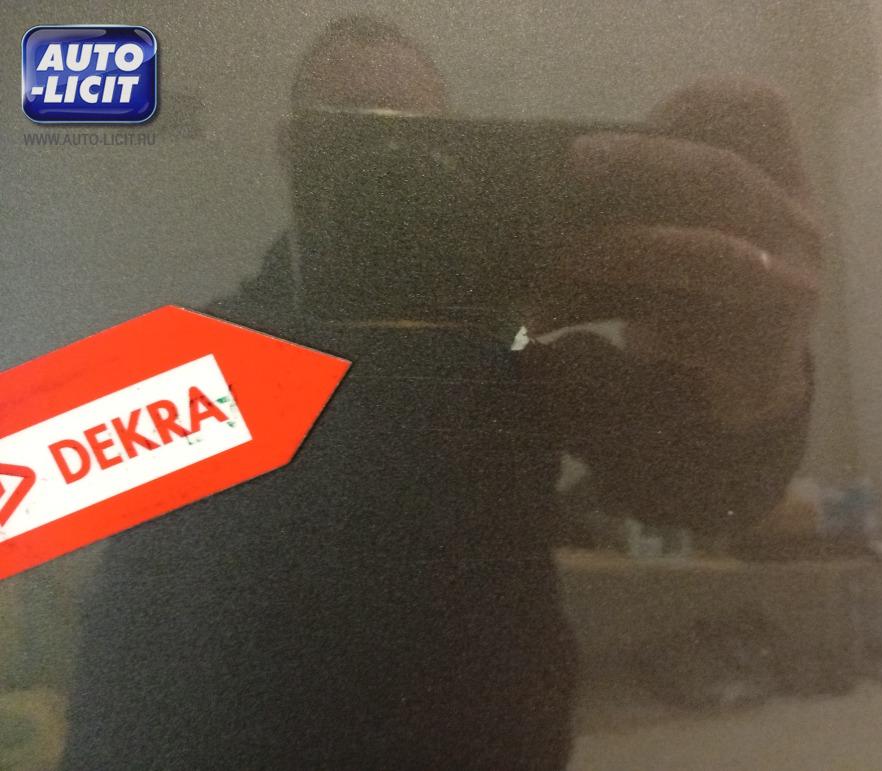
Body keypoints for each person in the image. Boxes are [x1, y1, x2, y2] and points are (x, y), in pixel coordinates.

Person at [61, 16, 820, 770]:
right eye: (355, 137)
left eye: (416, 143)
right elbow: (29, 488)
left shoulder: (513, 355)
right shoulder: (204, 356)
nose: (388, 177)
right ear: (293, 152)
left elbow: (716, 495)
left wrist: (757, 384)